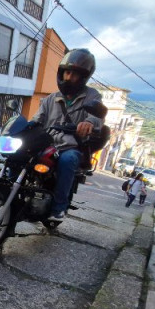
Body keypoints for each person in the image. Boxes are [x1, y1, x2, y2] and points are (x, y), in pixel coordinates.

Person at [32, 48, 103, 221]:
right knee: (20, 153)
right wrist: (25, 127)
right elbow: (37, 119)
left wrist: (89, 123)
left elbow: (97, 116)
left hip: (71, 146)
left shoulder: (91, 96)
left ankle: (58, 208)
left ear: (83, 77)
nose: (69, 77)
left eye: (74, 74)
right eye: (67, 72)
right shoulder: (51, 98)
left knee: (67, 160)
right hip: (47, 143)